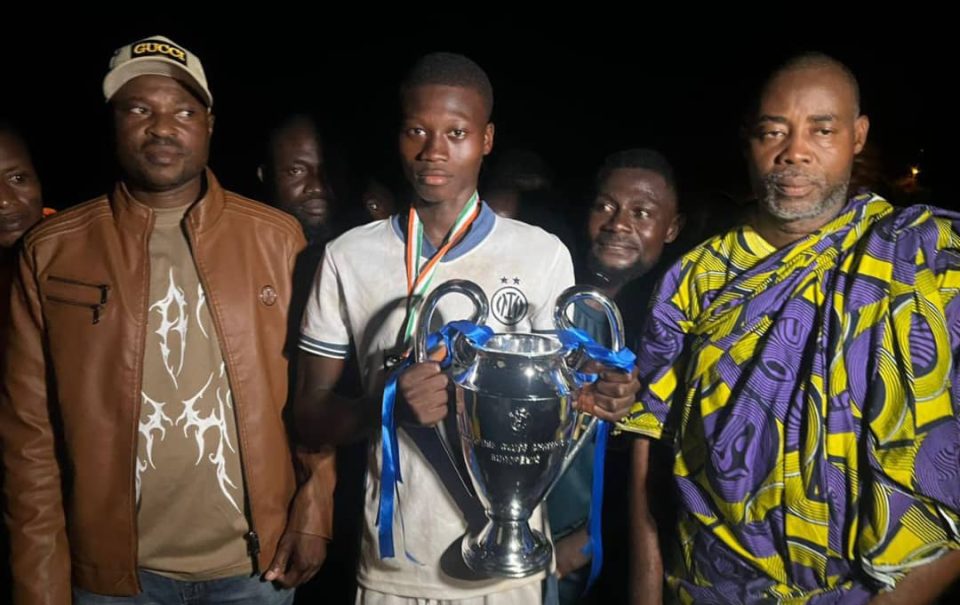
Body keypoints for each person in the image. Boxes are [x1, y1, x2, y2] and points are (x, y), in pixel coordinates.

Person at [293, 52, 639, 604]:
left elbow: (566, 393)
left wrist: (601, 393)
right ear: (398, 134)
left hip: (511, 574)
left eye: (456, 132)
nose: (433, 151)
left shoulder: (540, 254)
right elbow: (308, 417)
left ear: (486, 139)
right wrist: (379, 408)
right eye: (417, 130)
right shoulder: (346, 258)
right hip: (394, 570)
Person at [0, 35, 334, 604]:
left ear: (209, 124)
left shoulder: (278, 239)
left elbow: (314, 394)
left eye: (183, 110)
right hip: (114, 579)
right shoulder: (52, 251)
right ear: (113, 122)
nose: (162, 127)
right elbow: (29, 443)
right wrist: (40, 589)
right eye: (139, 109)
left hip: (256, 570)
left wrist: (318, 503)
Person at [623, 52, 960, 604]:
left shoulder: (919, 261)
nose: (794, 151)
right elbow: (645, 446)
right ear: (749, 142)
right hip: (706, 588)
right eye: (773, 132)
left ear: (858, 135)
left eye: (821, 130)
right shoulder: (696, 276)